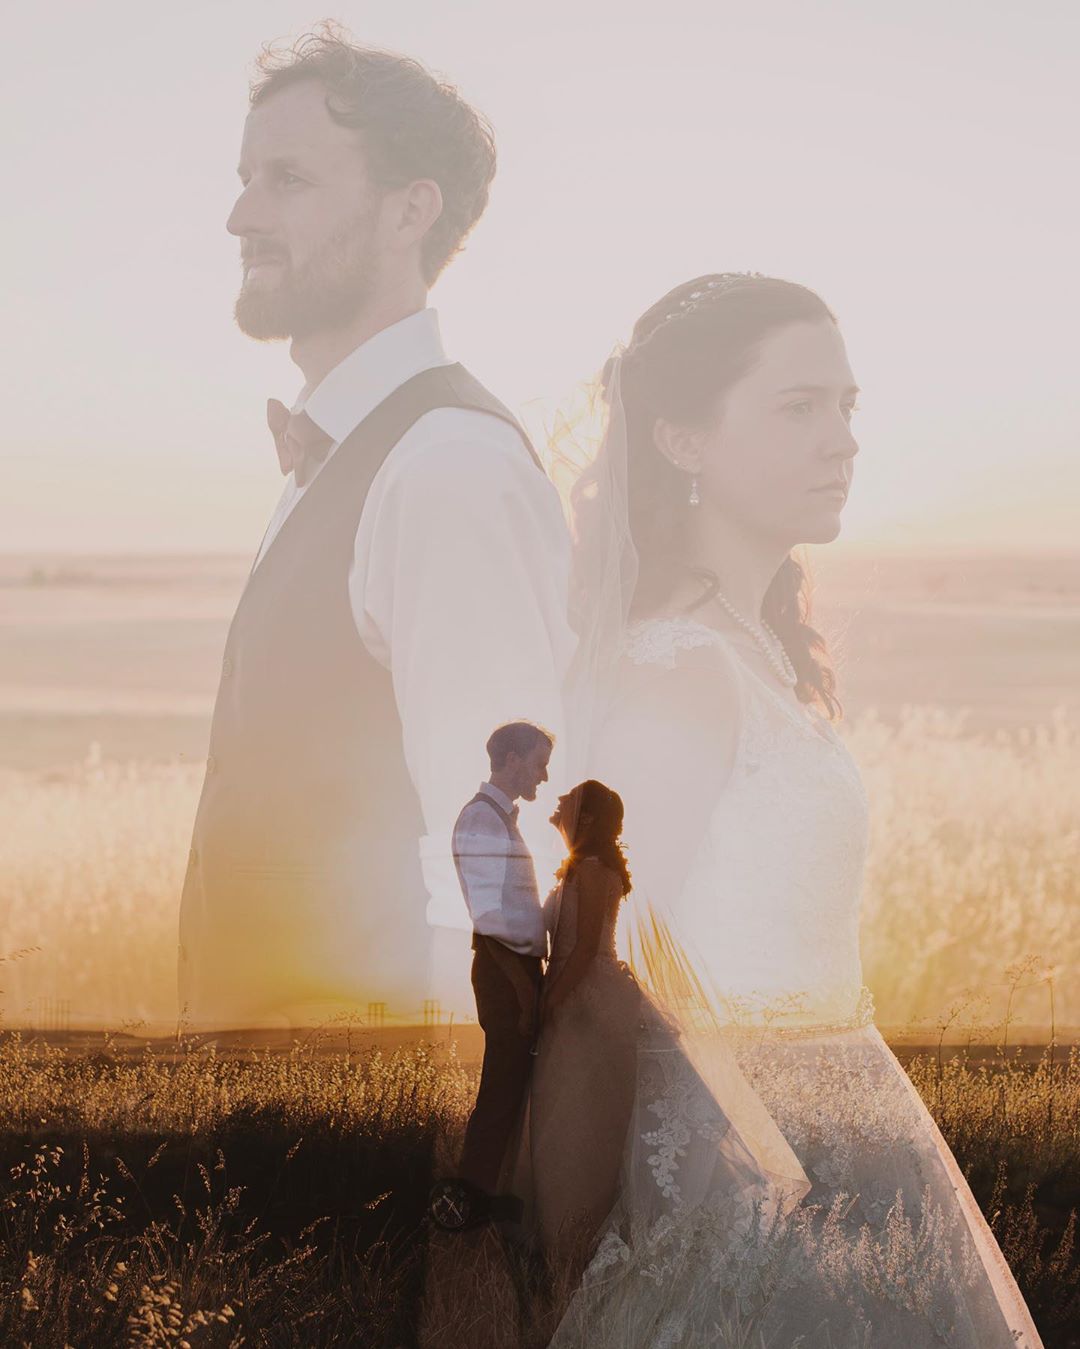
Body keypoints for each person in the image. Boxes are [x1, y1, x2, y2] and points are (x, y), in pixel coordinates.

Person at [557, 273, 1043, 1345]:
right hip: (756, 1147)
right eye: (799, 406)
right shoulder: (680, 668)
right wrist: (735, 1180)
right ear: (681, 438)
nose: (844, 440)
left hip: (854, 1119)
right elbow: (615, 969)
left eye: (848, 407)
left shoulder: (757, 649)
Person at [177, 28, 573, 1030]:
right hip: (286, 1104)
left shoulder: (448, 465)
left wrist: (458, 1159)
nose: (240, 213)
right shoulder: (346, 446)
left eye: (289, 180)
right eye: (244, 179)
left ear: (411, 209)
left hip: (379, 1124)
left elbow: (490, 852)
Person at [526, 778, 806, 1320]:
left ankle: (582, 1248)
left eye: (568, 801)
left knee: (588, 1126)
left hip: (591, 1009)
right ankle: (567, 1247)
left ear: (586, 818)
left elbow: (584, 951)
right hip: (577, 1005)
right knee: (574, 1123)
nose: (557, 804)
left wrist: (547, 1005)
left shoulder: (593, 871)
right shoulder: (577, 868)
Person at [438, 722, 553, 1226]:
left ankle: (487, 1195)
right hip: (504, 970)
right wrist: (524, 991)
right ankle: (468, 1203)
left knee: (509, 1088)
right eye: (538, 762)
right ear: (511, 759)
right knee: (501, 1089)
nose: (544, 775)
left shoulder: (500, 819)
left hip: (515, 968)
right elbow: (488, 922)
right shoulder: (483, 822)